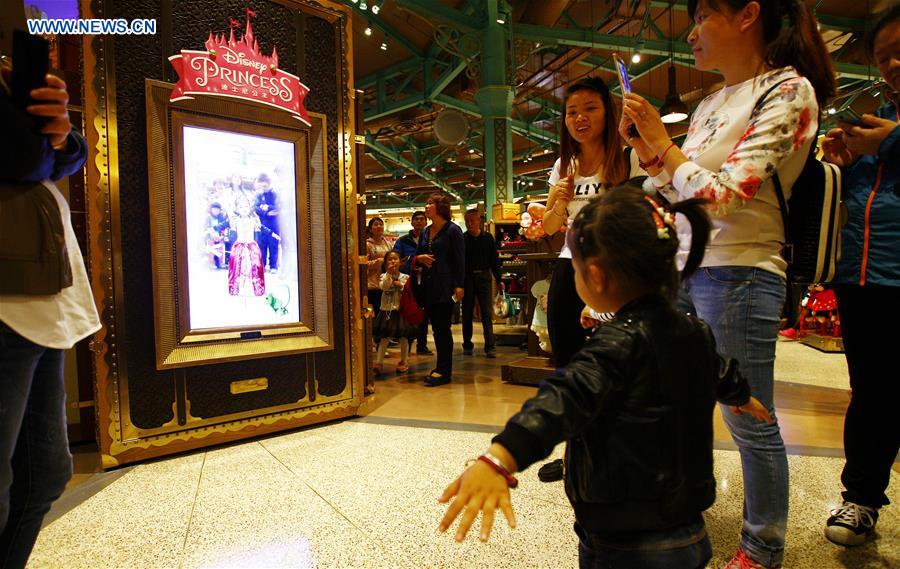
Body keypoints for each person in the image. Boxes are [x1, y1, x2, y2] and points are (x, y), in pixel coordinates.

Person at [436, 185, 771, 568]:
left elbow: (561, 400)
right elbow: (717, 369)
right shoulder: (693, 331)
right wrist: (741, 396)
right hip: (690, 528)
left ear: (594, 275)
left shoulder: (615, 345)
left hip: (624, 540)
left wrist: (500, 457)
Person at [620, 1, 836, 566]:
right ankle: (682, 508)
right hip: (690, 270)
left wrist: (661, 149)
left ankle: (763, 547)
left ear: (747, 15)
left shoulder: (789, 91)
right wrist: (647, 150)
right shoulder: (712, 101)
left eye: (701, 18)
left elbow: (727, 194)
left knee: (749, 415)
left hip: (742, 269)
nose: (690, 34)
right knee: (679, 401)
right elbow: (680, 192)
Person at [0, 64, 101, 566]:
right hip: (10, 293)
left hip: (39, 292)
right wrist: (45, 140)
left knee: (44, 473)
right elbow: (21, 155)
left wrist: (58, 134)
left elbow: (69, 152)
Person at [820, 3, 900, 547]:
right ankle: (861, 498)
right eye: (883, 57)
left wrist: (888, 144)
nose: (892, 64)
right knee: (870, 393)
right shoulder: (877, 125)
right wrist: (844, 165)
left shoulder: (887, 133)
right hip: (863, 282)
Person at [541, 76, 641, 369]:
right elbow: (548, 227)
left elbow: (639, 220)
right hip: (570, 264)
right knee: (566, 357)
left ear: (607, 113)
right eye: (571, 112)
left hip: (614, 266)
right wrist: (559, 201)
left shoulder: (628, 158)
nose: (579, 118)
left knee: (619, 357)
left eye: (590, 108)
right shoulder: (563, 165)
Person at [414, 192, 464, 386]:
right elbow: (419, 254)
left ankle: (444, 370)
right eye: (426, 203)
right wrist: (420, 258)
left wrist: (459, 285)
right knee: (435, 329)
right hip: (428, 285)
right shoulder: (426, 231)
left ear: (440, 207)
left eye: (430, 203)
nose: (426, 207)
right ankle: (441, 367)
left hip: (446, 286)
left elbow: (460, 259)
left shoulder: (453, 230)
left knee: (443, 328)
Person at [462, 209, 501, 358]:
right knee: (466, 313)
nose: (469, 223)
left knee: (486, 313)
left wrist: (499, 279)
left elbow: (494, 260)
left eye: (472, 220)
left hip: (484, 276)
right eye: (467, 221)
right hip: (467, 278)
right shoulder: (463, 239)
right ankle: (467, 344)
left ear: (479, 221)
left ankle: (490, 346)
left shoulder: (488, 238)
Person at [393, 211, 432, 355]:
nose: (420, 222)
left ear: (426, 222)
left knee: (424, 313)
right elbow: (396, 259)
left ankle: (422, 345)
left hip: (426, 281)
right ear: (412, 222)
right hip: (408, 281)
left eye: (422, 219)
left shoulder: (429, 239)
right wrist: (414, 260)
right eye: (417, 219)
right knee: (408, 312)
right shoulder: (402, 240)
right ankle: (407, 346)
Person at [373, 251, 416, 375]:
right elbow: (384, 287)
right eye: (390, 260)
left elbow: (409, 291)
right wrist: (389, 275)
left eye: (395, 259)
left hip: (401, 310)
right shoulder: (383, 276)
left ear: (400, 262)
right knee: (384, 338)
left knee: (404, 338)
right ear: (386, 263)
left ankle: (404, 361)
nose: (393, 262)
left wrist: (401, 286)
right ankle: (379, 363)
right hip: (387, 310)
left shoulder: (405, 277)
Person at [229, 194, 276, 297]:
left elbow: (263, 228)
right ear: (237, 209)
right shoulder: (235, 221)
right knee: (238, 266)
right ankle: (237, 288)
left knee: (254, 265)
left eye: (246, 206)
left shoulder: (254, 220)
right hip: (239, 246)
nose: (244, 209)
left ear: (250, 208)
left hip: (251, 246)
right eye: (241, 207)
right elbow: (230, 235)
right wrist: (228, 231)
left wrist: (272, 234)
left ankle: (255, 289)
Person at [366, 217, 392, 321]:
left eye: (381, 224)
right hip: (373, 284)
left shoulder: (388, 244)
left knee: (387, 312)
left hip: (387, 283)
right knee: (376, 312)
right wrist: (379, 261)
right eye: (376, 224)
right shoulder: (367, 244)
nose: (379, 226)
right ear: (370, 229)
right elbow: (364, 264)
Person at [253, 173, 280, 273]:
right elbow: (255, 208)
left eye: (265, 186)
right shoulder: (259, 195)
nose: (263, 188)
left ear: (269, 184)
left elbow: (279, 207)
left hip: (274, 224)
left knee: (273, 244)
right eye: (261, 186)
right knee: (262, 245)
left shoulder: (276, 194)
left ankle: (273, 266)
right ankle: (262, 265)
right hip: (262, 223)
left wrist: (269, 207)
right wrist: (266, 213)